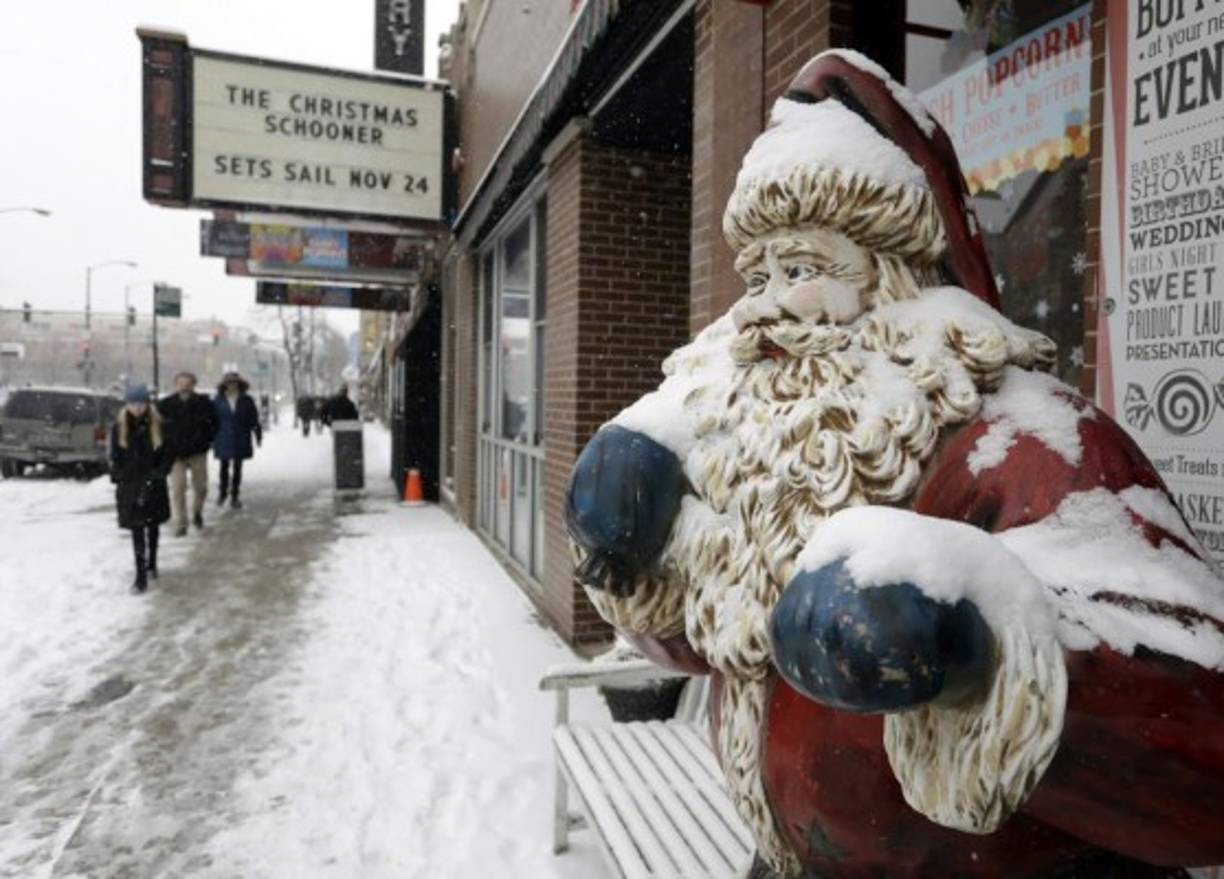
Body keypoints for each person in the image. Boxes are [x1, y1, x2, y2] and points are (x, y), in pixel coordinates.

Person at [110, 384, 170, 594]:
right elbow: (115, 455)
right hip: (130, 484)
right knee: (137, 529)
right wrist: (117, 475)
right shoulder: (119, 427)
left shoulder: (158, 426)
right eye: (133, 404)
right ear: (127, 405)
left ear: (147, 404)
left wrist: (158, 474)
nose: (136, 408)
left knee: (152, 526)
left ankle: (152, 561)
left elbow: (165, 456)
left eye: (141, 404)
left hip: (153, 483)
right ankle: (140, 576)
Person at [157, 371, 218, 537]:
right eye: (180, 382)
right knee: (178, 489)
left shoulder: (203, 403)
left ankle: (197, 512)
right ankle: (181, 523)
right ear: (176, 384)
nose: (183, 386)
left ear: (193, 384)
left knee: (201, 487)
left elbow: (213, 424)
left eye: (187, 383)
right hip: (175, 454)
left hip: (197, 452)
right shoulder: (165, 404)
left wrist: (207, 441)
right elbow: (158, 428)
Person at [213, 371, 262, 509]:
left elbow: (253, 418)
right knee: (223, 466)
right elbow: (211, 420)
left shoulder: (247, 400)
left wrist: (258, 434)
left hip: (241, 436)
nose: (231, 385)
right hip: (222, 436)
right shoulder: (217, 400)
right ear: (224, 385)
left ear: (239, 384)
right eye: (228, 383)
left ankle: (235, 495)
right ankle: (222, 492)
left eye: (234, 382)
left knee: (238, 467)